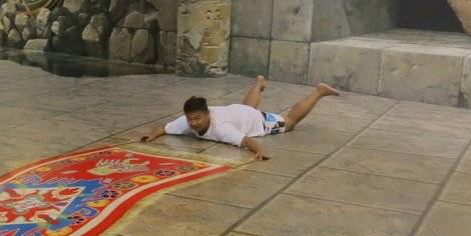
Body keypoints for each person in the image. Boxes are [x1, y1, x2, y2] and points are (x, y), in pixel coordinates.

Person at [140, 76, 339, 160]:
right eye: (190, 119)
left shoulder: (221, 129)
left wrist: (260, 150)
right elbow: (163, 127)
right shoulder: (187, 122)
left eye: (198, 118)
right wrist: (151, 135)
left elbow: (246, 141)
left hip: (256, 120)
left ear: (207, 113)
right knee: (246, 109)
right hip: (237, 111)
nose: (194, 123)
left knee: (290, 123)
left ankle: (319, 91)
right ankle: (259, 84)